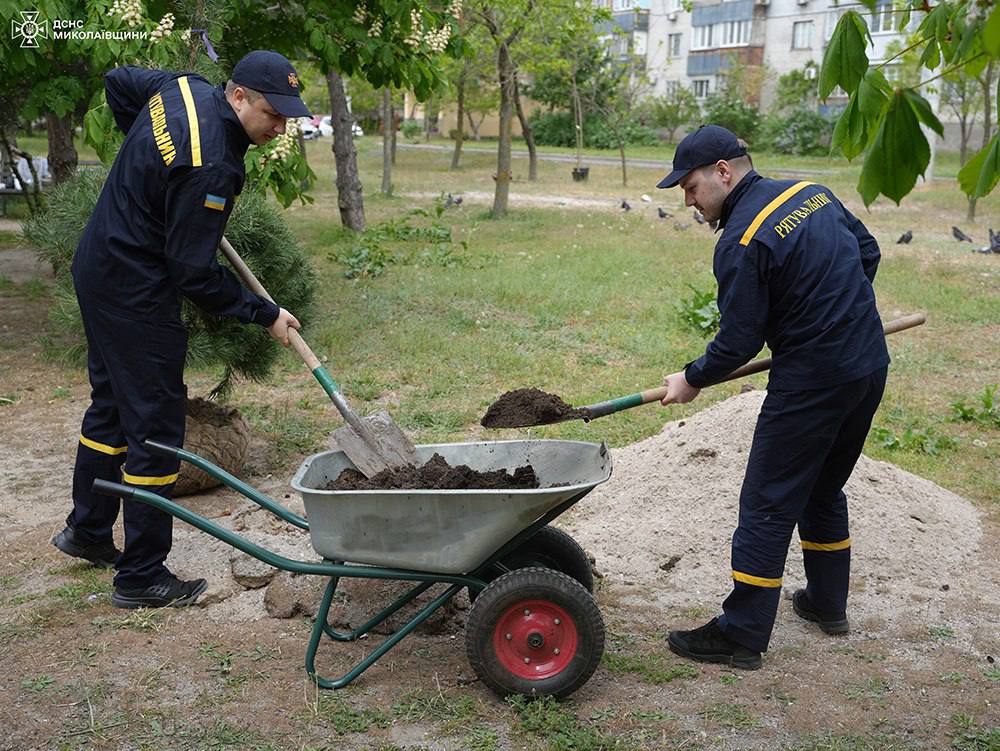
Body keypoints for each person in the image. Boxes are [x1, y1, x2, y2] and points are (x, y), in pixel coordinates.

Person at [51, 50, 310, 609]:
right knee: (156, 427)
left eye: (287, 116)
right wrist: (264, 313)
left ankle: (88, 530)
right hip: (135, 290)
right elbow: (192, 272)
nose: (280, 127)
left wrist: (149, 166)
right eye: (272, 114)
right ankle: (142, 576)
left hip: (98, 265)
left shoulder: (184, 88)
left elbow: (119, 79)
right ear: (238, 96)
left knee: (112, 407)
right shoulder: (213, 164)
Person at [657, 125, 889, 669]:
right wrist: (838, 316)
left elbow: (738, 342)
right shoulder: (812, 193)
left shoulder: (741, 240)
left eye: (690, 188)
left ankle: (741, 634)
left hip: (811, 384)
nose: (689, 202)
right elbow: (868, 252)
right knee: (823, 488)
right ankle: (827, 605)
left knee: (766, 502)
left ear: (722, 171)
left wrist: (691, 377)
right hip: (868, 366)